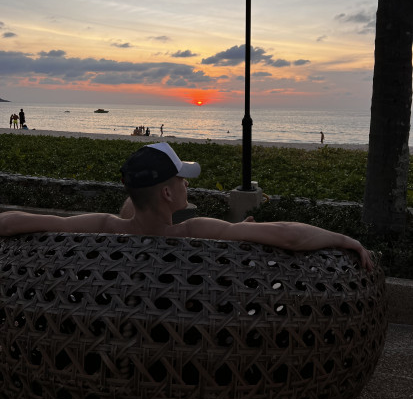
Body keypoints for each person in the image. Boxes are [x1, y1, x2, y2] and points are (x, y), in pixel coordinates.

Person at [0, 142, 373, 271]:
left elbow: (15, 221)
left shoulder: (104, 225)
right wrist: (347, 240)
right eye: (181, 179)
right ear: (166, 193)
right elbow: (289, 236)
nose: (187, 184)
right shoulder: (193, 231)